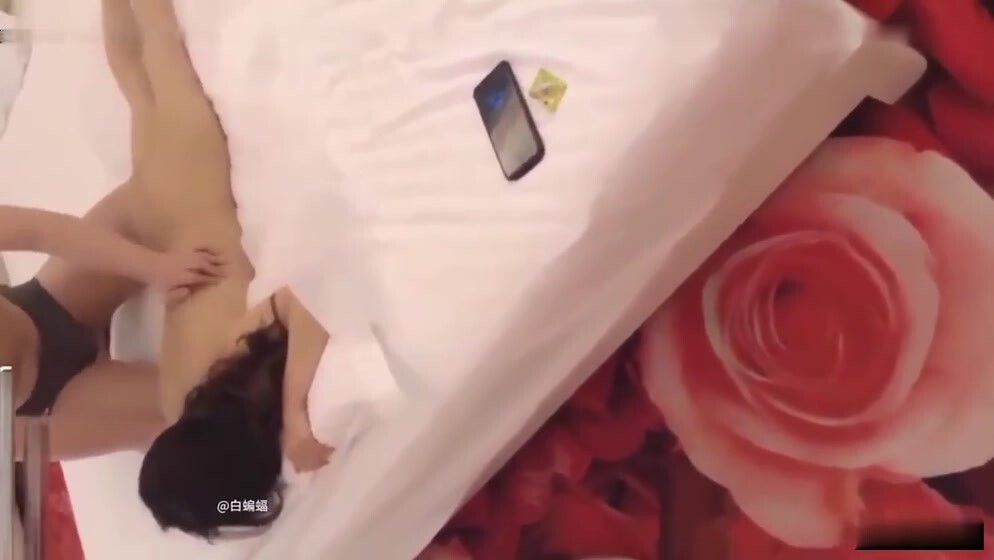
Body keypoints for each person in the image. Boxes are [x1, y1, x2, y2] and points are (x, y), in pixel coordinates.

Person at [77, 0, 333, 540]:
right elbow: (231, 506)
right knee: (136, 80)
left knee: (159, 47)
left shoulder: (230, 364)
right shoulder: (178, 406)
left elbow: (308, 300)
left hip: (191, 184)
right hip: (163, 212)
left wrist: (296, 414)